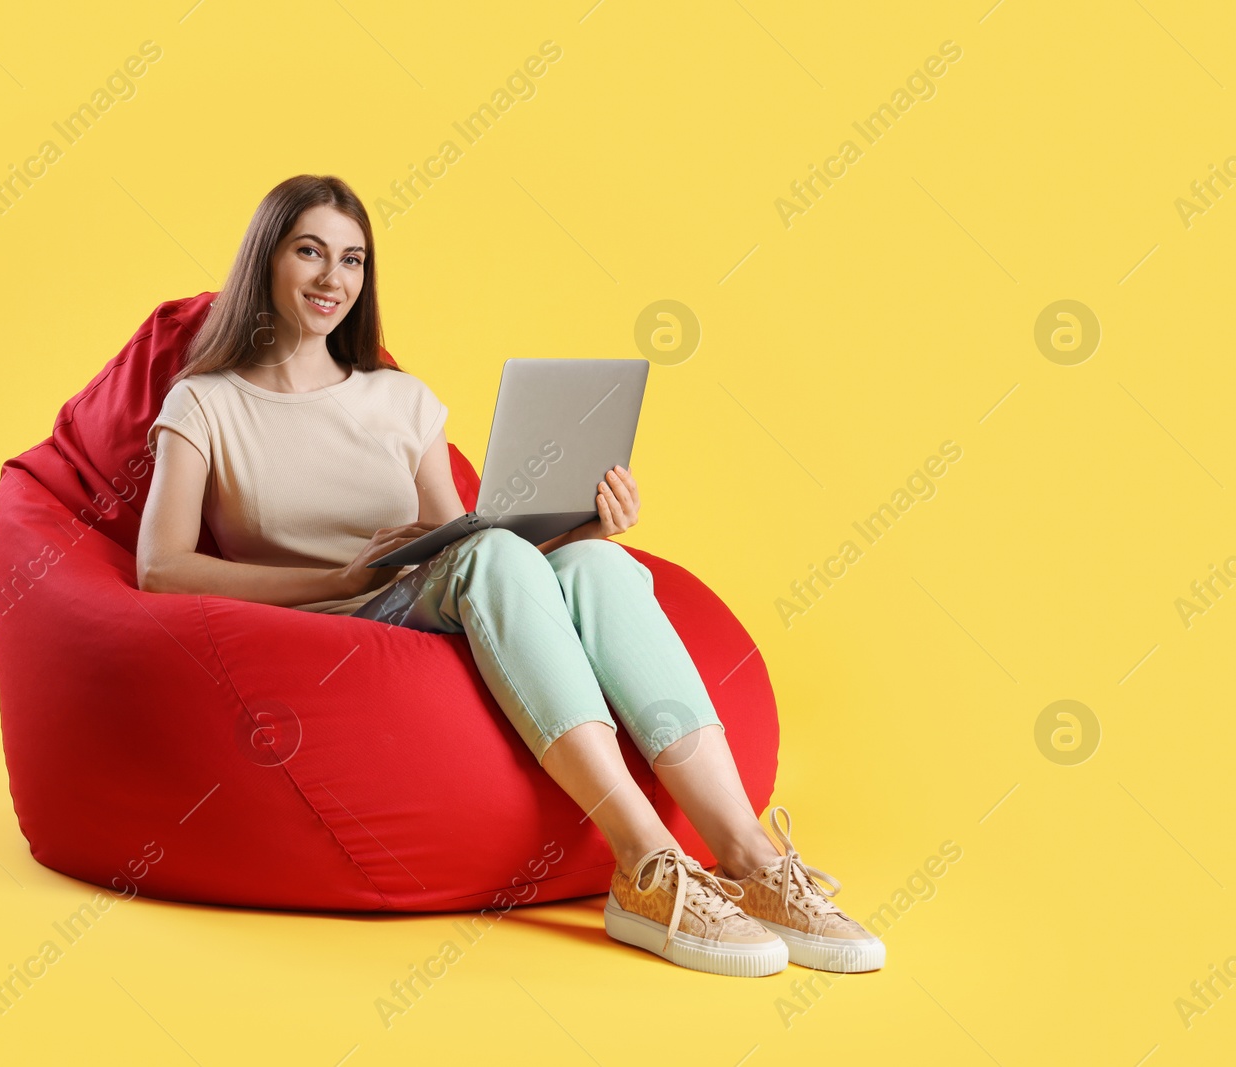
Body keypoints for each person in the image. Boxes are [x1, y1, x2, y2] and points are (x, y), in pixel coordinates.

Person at [136, 174, 883, 977]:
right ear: (266, 259)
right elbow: (160, 567)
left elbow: (456, 533)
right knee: (492, 558)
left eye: (352, 260)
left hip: (420, 590)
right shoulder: (205, 403)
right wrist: (335, 576)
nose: (332, 279)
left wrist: (587, 522)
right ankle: (647, 861)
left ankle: (751, 858)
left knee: (595, 563)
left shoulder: (402, 399)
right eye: (310, 252)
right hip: (340, 620)